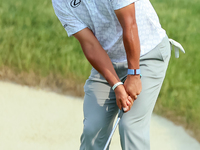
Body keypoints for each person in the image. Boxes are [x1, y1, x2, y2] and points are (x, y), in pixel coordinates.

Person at [52, 0, 174, 149]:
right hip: (109, 61)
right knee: (93, 129)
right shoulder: (59, 2)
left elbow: (129, 24)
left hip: (146, 54)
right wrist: (116, 85)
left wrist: (134, 74)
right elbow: (90, 45)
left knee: (130, 126)